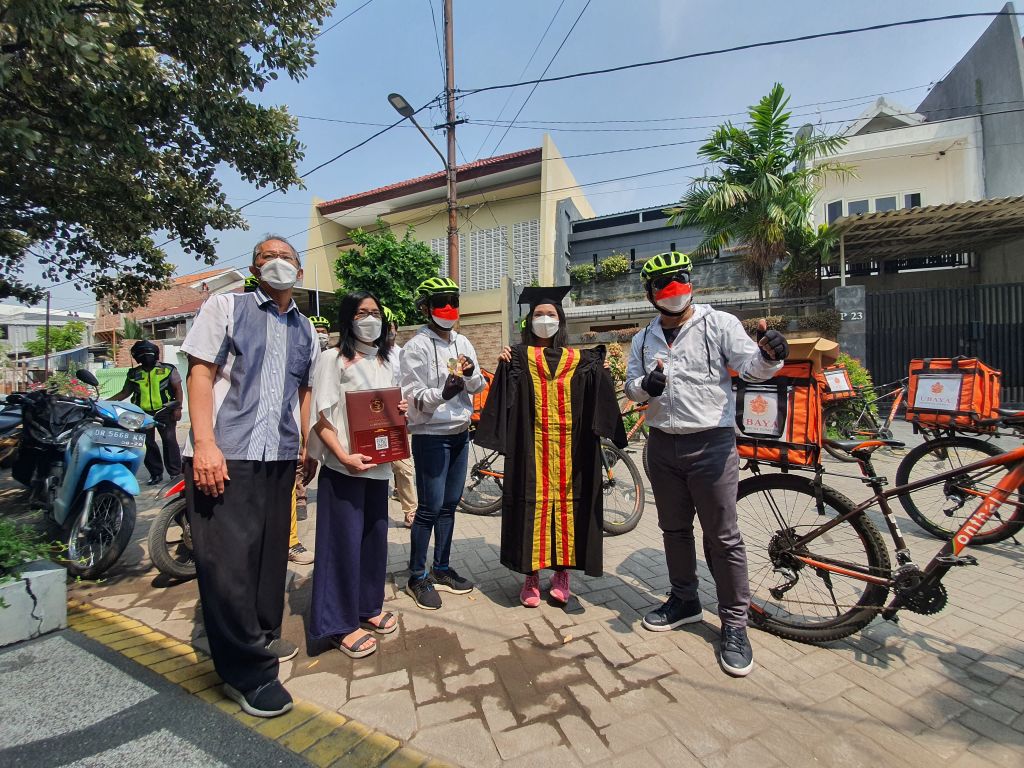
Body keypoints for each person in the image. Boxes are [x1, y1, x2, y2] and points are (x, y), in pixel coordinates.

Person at [624, 251, 788, 678]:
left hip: (712, 445)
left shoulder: (719, 324)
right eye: (663, 285)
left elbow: (751, 368)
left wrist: (772, 355)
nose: (673, 289)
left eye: (678, 279)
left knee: (723, 537)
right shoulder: (642, 339)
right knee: (674, 529)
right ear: (650, 294)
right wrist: (647, 386)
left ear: (690, 282)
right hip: (661, 447)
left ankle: (735, 622)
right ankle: (685, 600)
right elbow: (631, 387)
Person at [181, 234, 320, 718]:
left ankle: (260, 636)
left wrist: (307, 446)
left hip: (279, 455)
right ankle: (245, 673)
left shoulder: (307, 329)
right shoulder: (226, 307)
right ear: (254, 268)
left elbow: (303, 392)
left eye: (287, 258)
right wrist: (204, 445)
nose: (278, 264)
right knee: (229, 563)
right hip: (226, 452)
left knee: (267, 555)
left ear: (299, 273)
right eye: (269, 258)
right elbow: (199, 373)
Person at [477, 286, 626, 609]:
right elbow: (501, 396)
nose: (545, 320)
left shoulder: (580, 361)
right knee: (528, 507)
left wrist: (601, 374)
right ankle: (530, 576)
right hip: (529, 452)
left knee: (570, 508)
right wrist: (504, 364)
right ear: (529, 321)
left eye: (552, 315)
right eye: (540, 315)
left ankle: (561, 575)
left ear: (561, 321)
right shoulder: (517, 358)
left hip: (572, 455)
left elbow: (598, 391)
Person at [306, 292, 406, 658]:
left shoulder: (386, 358)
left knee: (372, 543)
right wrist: (342, 456)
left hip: (379, 468)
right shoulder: (333, 359)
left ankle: (367, 607)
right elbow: (321, 416)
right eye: (362, 313)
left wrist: (402, 409)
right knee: (341, 547)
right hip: (345, 468)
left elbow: (391, 407)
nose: (370, 319)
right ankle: (338, 624)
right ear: (348, 320)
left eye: (375, 312)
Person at [399, 277, 484, 610]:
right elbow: (412, 395)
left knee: (450, 505)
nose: (449, 309)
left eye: (453, 301)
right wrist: (443, 393)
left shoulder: (463, 342)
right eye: (440, 302)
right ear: (425, 308)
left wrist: (472, 374)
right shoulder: (415, 347)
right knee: (429, 508)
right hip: (431, 436)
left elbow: (476, 387)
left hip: (460, 433)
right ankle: (417, 575)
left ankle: (442, 567)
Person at [111, 339, 183, 485]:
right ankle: (156, 474)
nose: (145, 357)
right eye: (141, 354)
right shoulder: (133, 374)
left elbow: (178, 389)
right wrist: (107, 401)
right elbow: (125, 392)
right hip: (142, 414)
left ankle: (175, 474)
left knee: (169, 441)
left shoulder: (168, 369)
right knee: (147, 443)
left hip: (165, 411)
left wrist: (178, 408)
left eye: (147, 353)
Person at [291, 314, 331, 530]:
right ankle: (301, 494)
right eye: (317, 331)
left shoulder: (334, 355)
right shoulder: (304, 351)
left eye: (324, 331)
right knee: (301, 455)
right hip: (303, 409)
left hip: (324, 411)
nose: (321, 335)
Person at [384, 306, 418, 528]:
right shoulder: (365, 355)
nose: (389, 331)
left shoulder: (402, 353)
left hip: (397, 416)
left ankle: (410, 510)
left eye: (391, 327)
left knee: (403, 466)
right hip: (371, 419)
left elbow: (410, 383)